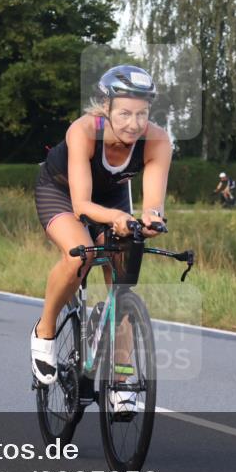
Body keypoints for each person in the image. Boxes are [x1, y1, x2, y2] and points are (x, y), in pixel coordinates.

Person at [31, 65, 172, 414]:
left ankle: (122, 378)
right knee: (82, 256)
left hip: (112, 200)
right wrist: (118, 219)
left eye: (142, 114)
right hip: (62, 192)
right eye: (124, 113)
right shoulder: (82, 131)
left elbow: (153, 204)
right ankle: (44, 331)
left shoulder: (157, 142)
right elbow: (81, 205)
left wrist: (150, 220)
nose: (133, 124)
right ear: (105, 108)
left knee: (121, 287)